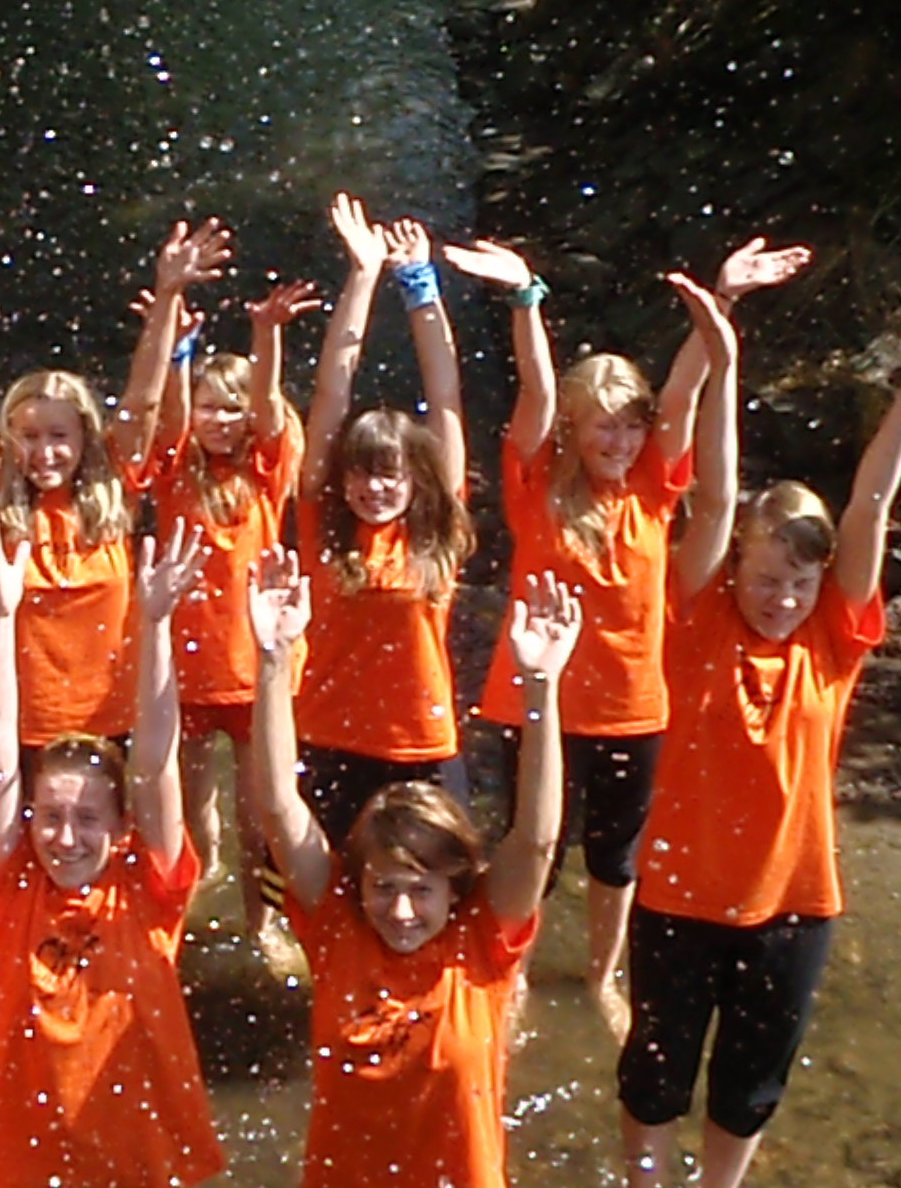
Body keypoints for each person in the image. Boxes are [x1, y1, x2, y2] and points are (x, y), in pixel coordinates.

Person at [617, 283, 901, 1188]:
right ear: (735, 570)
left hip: (794, 906)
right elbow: (716, 494)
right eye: (766, 579)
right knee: (654, 1078)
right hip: (679, 898)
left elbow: (869, 508)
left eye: (800, 583)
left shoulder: (833, 639)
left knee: (749, 1086)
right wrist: (725, 366)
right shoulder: (697, 621)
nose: (782, 598)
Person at [443, 233, 811, 1039]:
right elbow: (535, 388)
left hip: (635, 709)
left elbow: (684, 388)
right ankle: (511, 972)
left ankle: (602, 977)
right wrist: (525, 298)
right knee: (533, 845)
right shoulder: (535, 485)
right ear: (572, 431)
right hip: (537, 700)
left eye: (629, 428)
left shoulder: (652, 486)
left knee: (616, 859)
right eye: (601, 428)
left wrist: (724, 298)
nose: (618, 442)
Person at [251, 545, 585, 1188]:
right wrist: (273, 659)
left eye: (421, 890)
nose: (400, 910)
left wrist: (541, 691)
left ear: (454, 889)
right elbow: (277, 806)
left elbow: (538, 840)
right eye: (383, 887)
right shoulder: (339, 928)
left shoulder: (480, 943)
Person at [0, 217, 231, 752]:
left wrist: (168, 292)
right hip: (7, 723)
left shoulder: (115, 486)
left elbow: (145, 401)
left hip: (109, 722)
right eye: (29, 437)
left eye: (59, 436)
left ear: (85, 438)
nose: (44, 452)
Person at [0, 511, 225, 1188]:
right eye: (50, 817)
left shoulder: (146, 890)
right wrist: (3, 617)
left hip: (139, 1158)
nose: (65, 837)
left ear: (121, 827)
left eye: (87, 819)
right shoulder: (13, 888)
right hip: (28, 1167)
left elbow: (157, 763)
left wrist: (157, 625)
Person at [146, 275, 319, 944]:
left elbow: (271, 409)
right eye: (208, 408)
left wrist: (266, 336)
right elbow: (168, 418)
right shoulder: (174, 470)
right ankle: (201, 885)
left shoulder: (268, 469)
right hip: (188, 671)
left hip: (253, 669)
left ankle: (261, 924)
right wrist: (178, 354)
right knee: (193, 807)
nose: (219, 420)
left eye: (231, 409)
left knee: (261, 815)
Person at [294, 196, 473, 845]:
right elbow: (330, 393)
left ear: (416, 479)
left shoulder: (436, 532)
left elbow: (445, 397)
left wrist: (420, 286)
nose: (375, 488)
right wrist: (363, 275)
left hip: (421, 743)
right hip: (327, 737)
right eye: (362, 473)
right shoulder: (325, 525)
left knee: (432, 891)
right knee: (323, 892)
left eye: (390, 474)